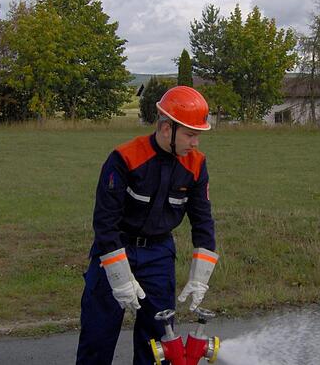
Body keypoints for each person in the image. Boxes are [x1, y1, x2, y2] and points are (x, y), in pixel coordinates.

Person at [76, 86, 220, 365]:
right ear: (167, 128)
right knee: (97, 337)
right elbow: (105, 224)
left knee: (159, 343)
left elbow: (203, 221)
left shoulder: (197, 165)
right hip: (115, 249)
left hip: (159, 255)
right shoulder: (124, 158)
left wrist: (200, 277)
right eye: (190, 134)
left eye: (198, 135)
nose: (195, 143)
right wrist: (119, 276)